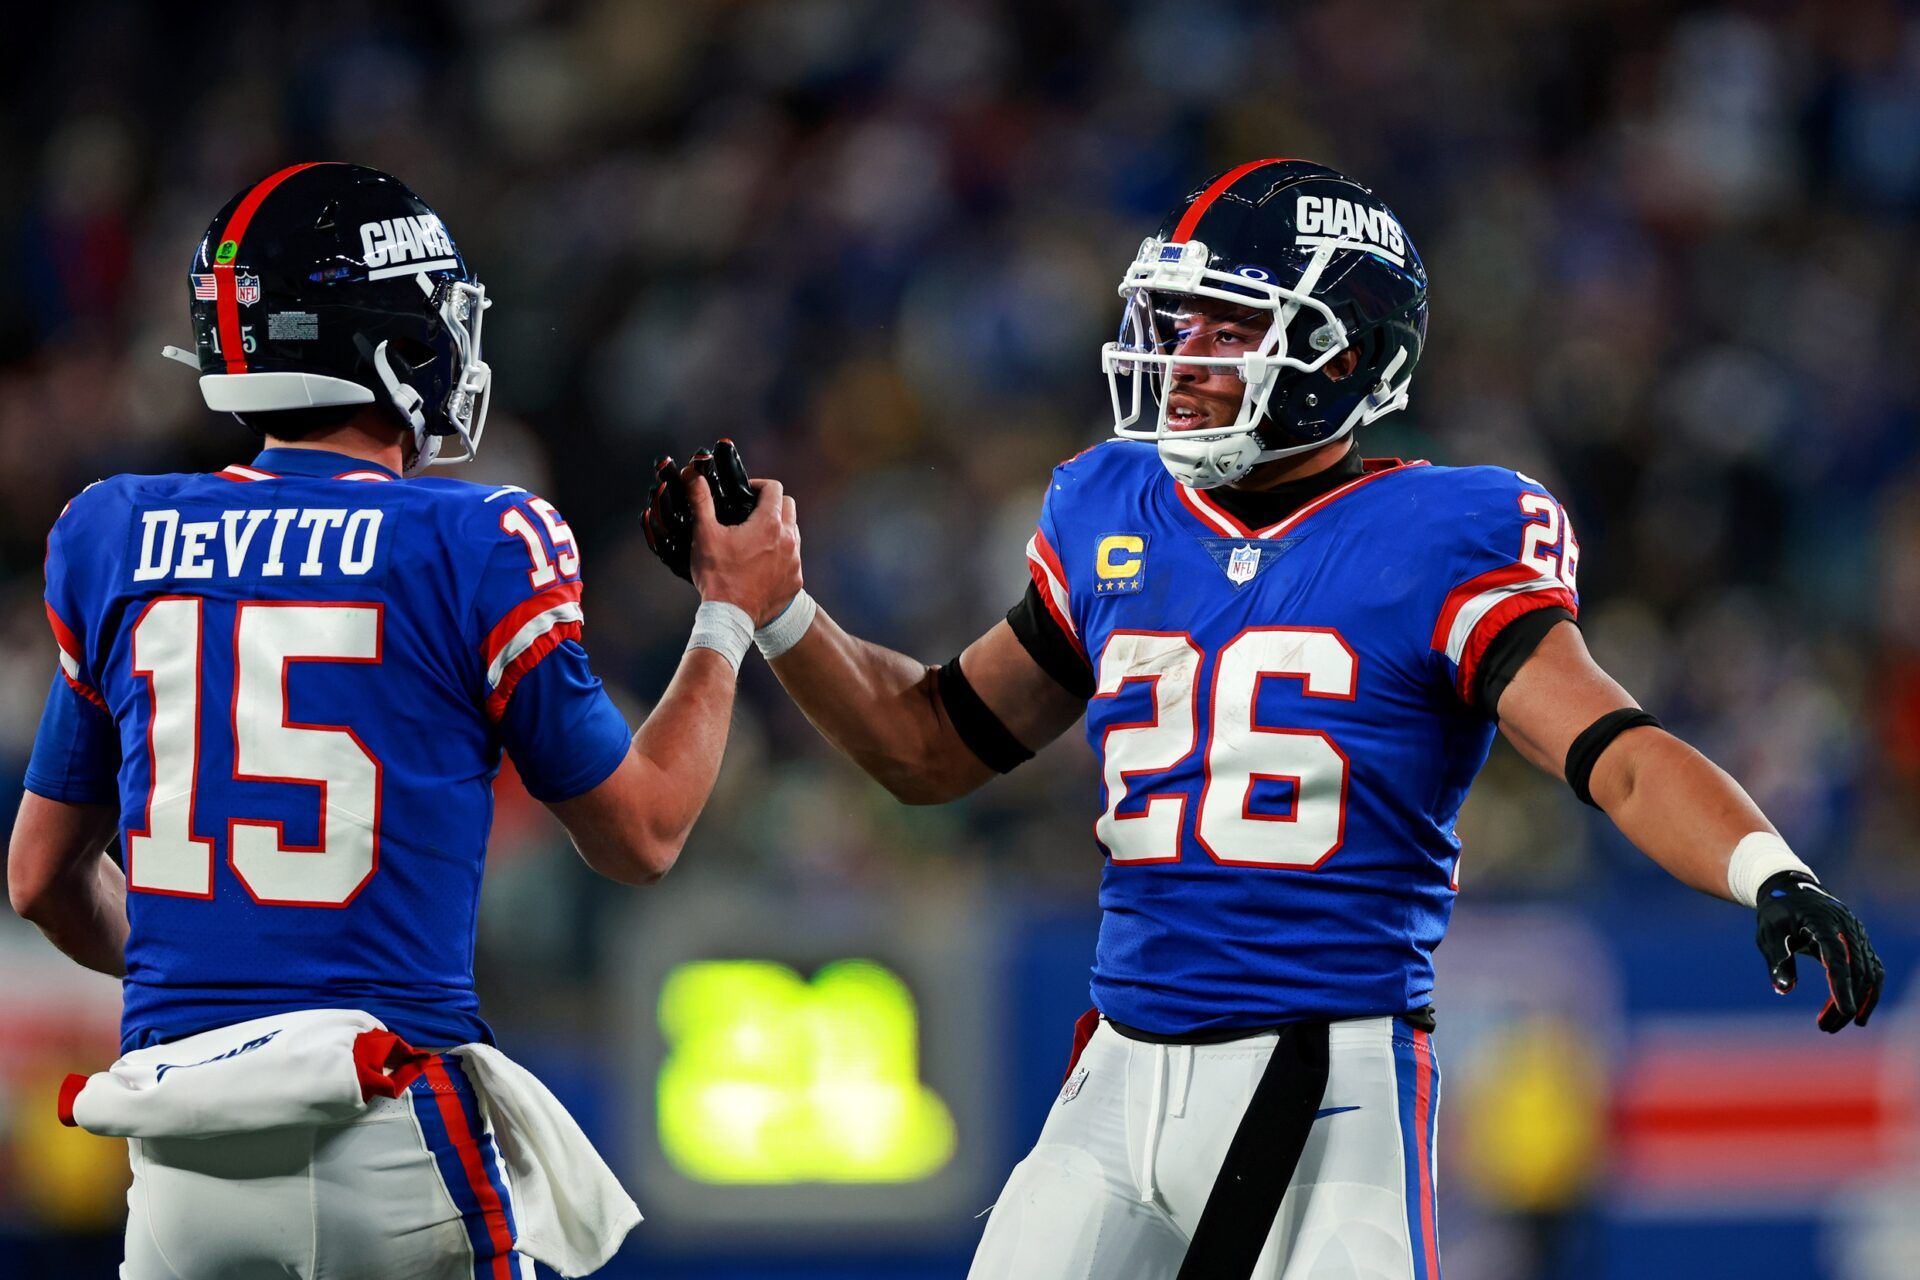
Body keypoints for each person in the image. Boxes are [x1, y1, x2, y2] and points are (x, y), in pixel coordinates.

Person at [644, 159, 1886, 1280]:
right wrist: (780, 609)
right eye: (1182, 317)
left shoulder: (1443, 531)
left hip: (1329, 1084)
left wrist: (1764, 865)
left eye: (1233, 324)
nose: (1186, 352)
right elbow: (929, 745)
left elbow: (1611, 752)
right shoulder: (1112, 504)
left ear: (1343, 357)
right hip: (1115, 1071)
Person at [7, 162, 800, 1280]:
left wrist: (238, 974)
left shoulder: (115, 533)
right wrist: (727, 615)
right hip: (385, 1124)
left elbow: (41, 877)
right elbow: (643, 831)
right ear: (395, 342)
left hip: (178, 1152)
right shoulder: (477, 539)